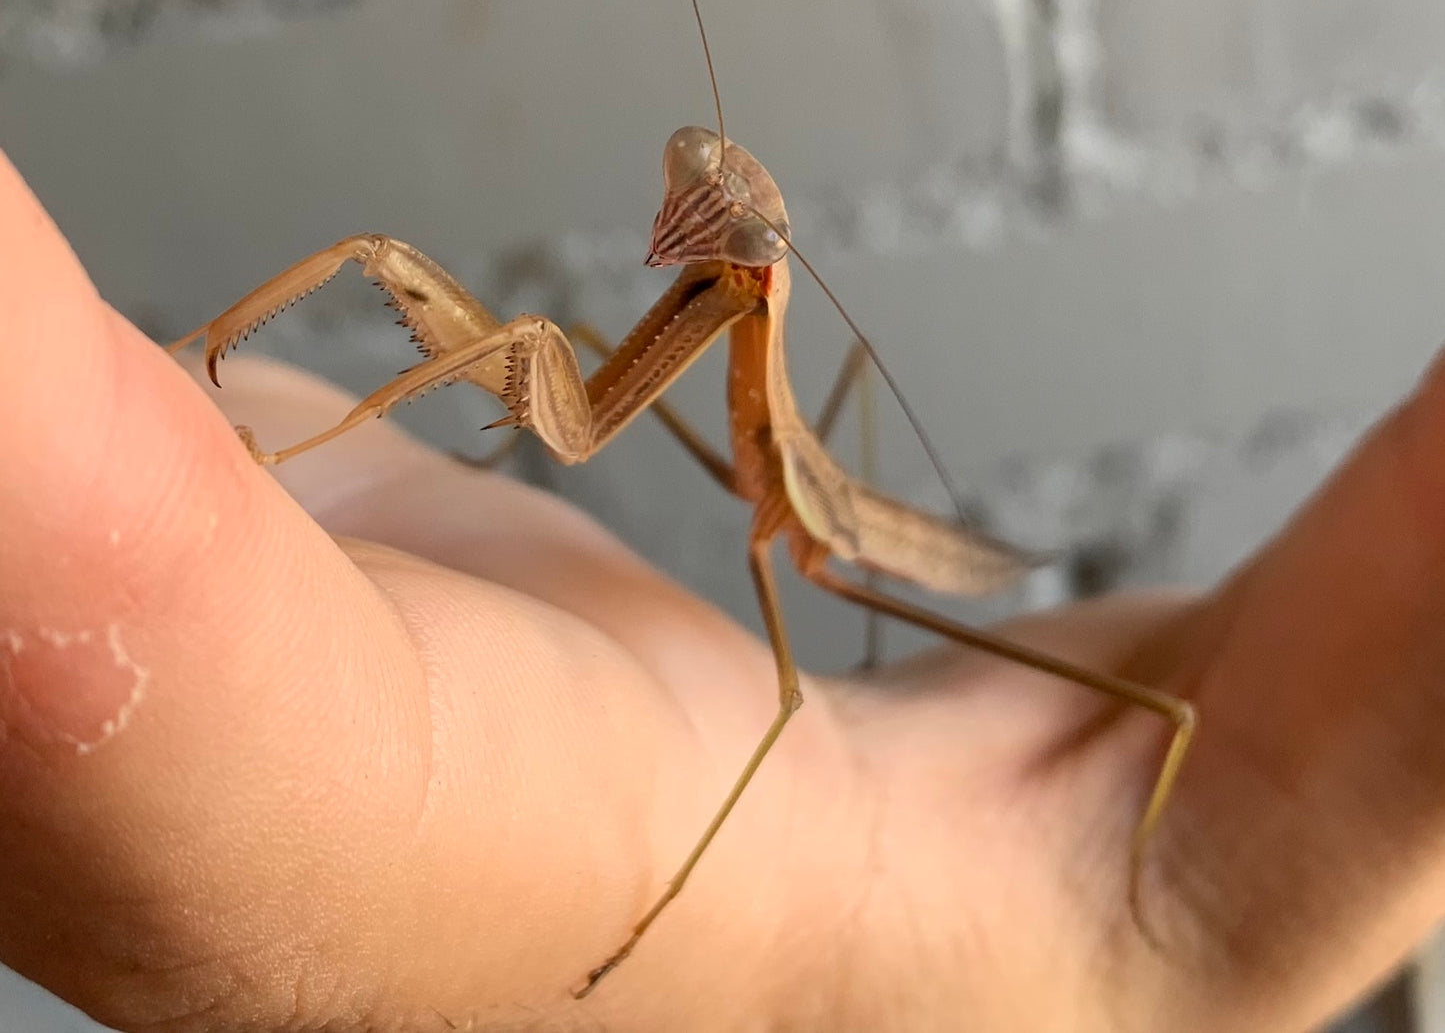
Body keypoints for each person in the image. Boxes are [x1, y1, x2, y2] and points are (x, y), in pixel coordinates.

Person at [1, 142, 1442, 1033]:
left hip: (828, 528)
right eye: (691, 193)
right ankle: (221, 376)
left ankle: (295, 430)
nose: (683, 219)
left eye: (712, 221)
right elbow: (575, 386)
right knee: (459, 294)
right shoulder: (712, 308)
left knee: (1147, 712)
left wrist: (691, 932)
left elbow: (774, 708)